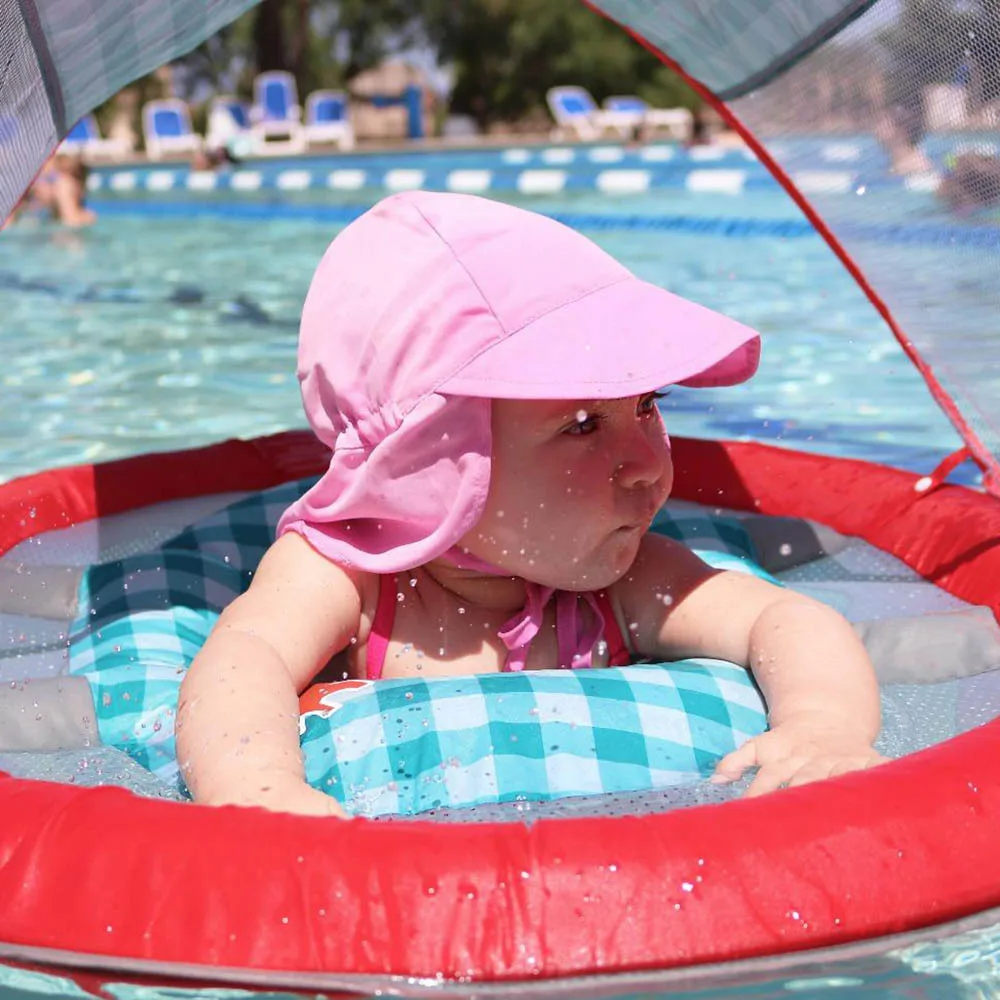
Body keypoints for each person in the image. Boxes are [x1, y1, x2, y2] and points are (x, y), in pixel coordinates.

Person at [176, 191, 886, 819]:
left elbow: (783, 616)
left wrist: (823, 726)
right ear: (434, 464)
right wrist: (256, 784)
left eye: (645, 406)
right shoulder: (347, 579)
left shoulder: (625, 577)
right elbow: (245, 656)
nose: (648, 466)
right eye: (581, 426)